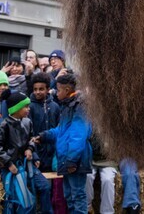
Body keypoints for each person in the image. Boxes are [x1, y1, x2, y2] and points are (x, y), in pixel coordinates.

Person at [34, 71, 92, 214]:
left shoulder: (79, 106)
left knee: (77, 195)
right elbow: (61, 131)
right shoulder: (67, 106)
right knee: (69, 195)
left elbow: (78, 135)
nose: (56, 92)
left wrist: (72, 160)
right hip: (67, 159)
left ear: (67, 90)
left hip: (75, 160)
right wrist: (44, 136)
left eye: (58, 90)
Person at [0, 91, 53, 214]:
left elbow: (31, 139)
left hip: (26, 165)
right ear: (16, 108)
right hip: (11, 168)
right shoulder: (3, 125)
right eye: (25, 106)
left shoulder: (27, 122)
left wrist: (30, 149)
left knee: (45, 186)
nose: (28, 109)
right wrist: (9, 164)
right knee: (20, 198)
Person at [28, 72, 60, 172]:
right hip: (36, 150)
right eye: (35, 89)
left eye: (41, 89)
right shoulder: (29, 106)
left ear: (48, 89)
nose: (37, 92)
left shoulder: (55, 106)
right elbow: (29, 131)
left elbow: (58, 127)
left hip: (52, 150)